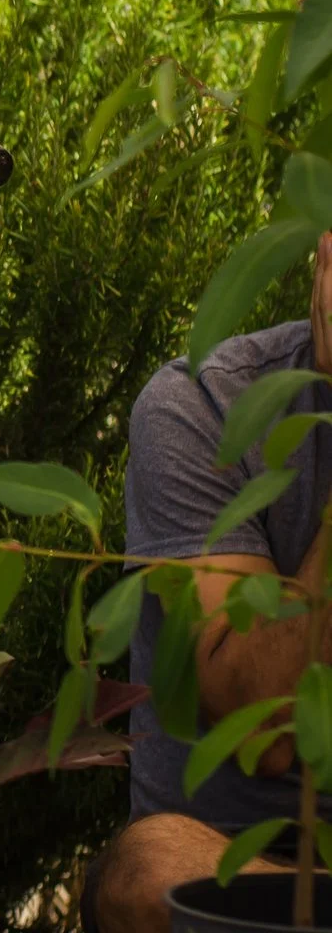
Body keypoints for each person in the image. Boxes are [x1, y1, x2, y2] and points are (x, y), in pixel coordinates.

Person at [100, 248, 332, 933]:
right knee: (149, 870)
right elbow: (268, 730)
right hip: (240, 863)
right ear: (323, 251)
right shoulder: (205, 406)